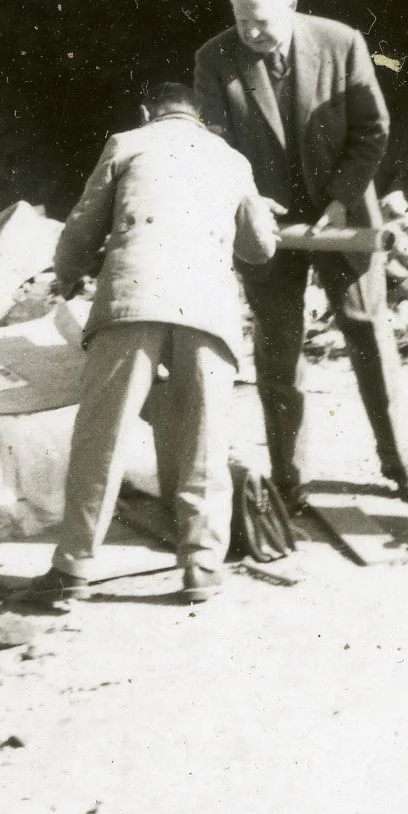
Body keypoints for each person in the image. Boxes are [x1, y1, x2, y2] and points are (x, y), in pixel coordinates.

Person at [194, 0, 408, 509]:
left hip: (344, 218)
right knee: (278, 348)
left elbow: (372, 129)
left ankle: (402, 463)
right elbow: (211, 139)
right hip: (264, 223)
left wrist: (341, 198)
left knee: (368, 333)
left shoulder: (342, 43)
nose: (251, 32)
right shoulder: (214, 59)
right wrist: (249, 200)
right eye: (241, 19)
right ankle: (290, 476)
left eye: (261, 20)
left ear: (291, 2)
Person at [43, 81, 277, 604]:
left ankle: (73, 566)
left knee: (102, 435)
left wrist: (67, 273)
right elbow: (260, 249)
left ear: (148, 111)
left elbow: (83, 227)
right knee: (205, 438)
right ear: (199, 118)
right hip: (207, 307)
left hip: (133, 298)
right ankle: (201, 567)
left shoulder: (127, 143)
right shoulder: (231, 158)